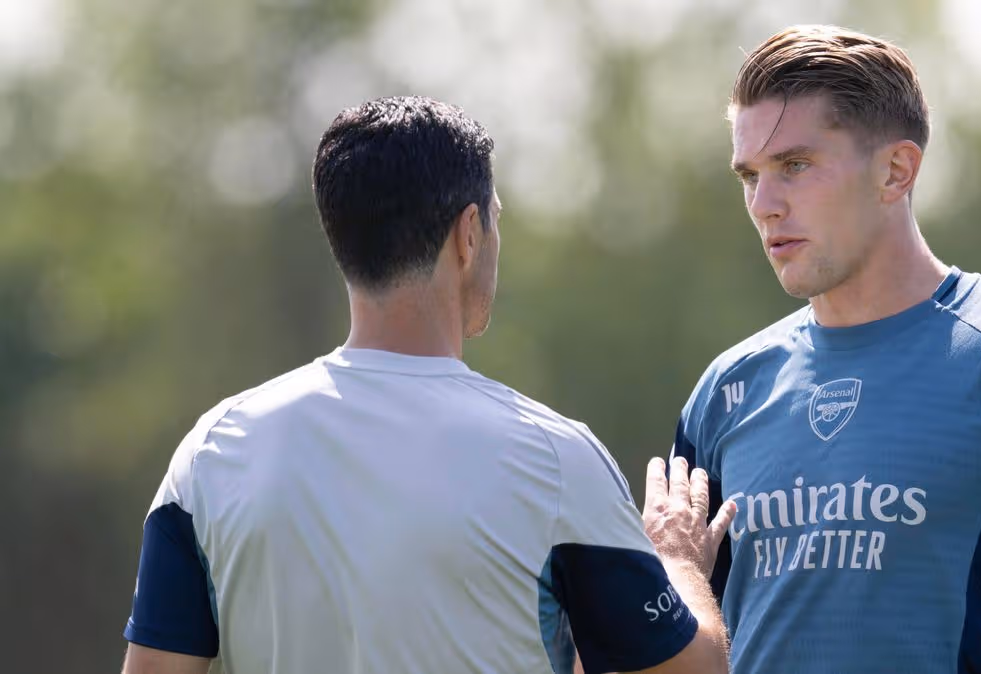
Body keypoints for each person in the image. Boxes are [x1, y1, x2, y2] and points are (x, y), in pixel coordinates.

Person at [120, 95, 735, 674]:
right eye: (495, 220)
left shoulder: (212, 453)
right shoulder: (555, 460)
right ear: (468, 235)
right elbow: (695, 670)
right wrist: (677, 561)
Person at [668, 25, 981, 673]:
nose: (764, 204)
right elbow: (670, 648)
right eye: (750, 175)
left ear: (896, 171)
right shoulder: (726, 391)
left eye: (794, 166)